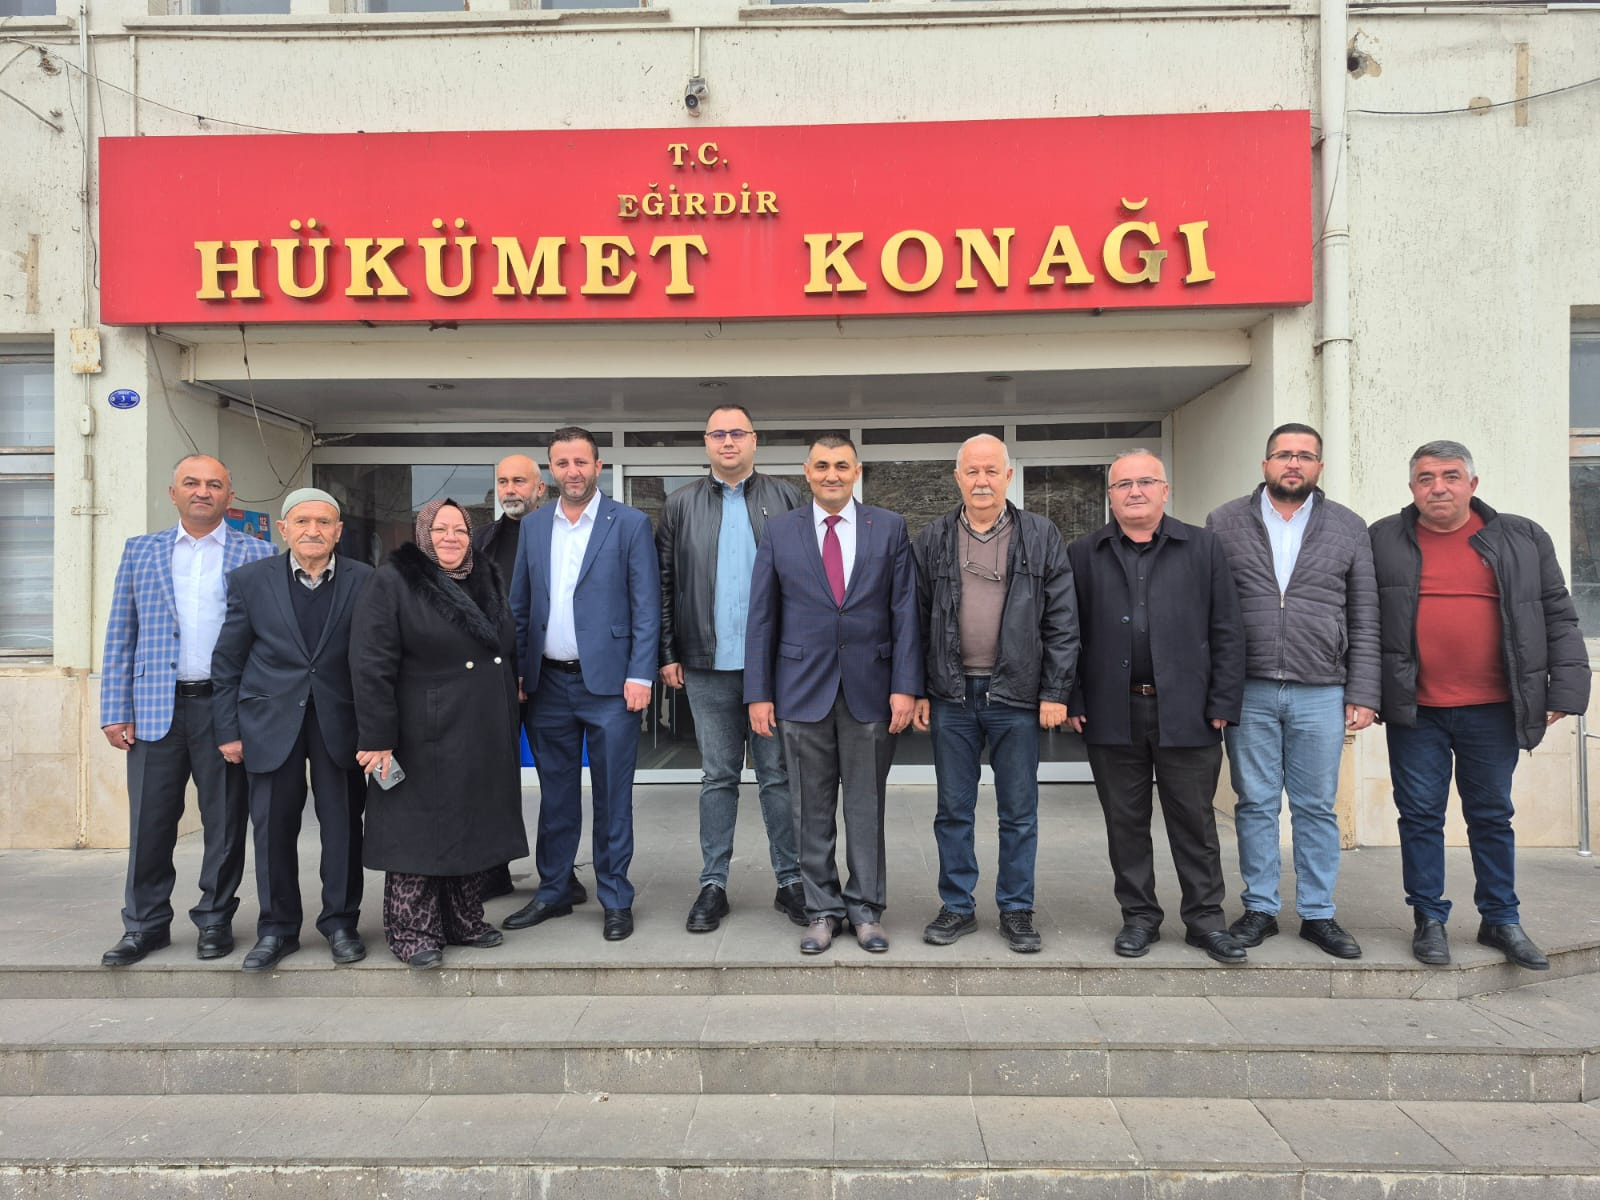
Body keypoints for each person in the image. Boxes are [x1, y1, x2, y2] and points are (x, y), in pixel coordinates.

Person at [1369, 440, 1589, 970]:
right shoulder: (1383, 538)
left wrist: (1565, 689)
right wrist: (1363, 692)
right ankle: (1429, 918)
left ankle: (1501, 919)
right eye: (1426, 478)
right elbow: (1360, 617)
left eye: (1450, 476)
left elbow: (1557, 613)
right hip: (1415, 709)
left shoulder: (1522, 537)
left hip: (1493, 707)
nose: (1438, 487)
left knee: (1491, 815)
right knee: (1419, 816)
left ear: (1472, 483)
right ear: (1412, 488)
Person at [1067, 450, 1248, 964]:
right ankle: (1139, 918)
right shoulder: (1084, 553)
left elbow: (1227, 628)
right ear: (1110, 496)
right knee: (1125, 824)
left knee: (1195, 822)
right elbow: (1067, 632)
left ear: (1165, 490)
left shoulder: (1203, 547)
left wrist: (1223, 700)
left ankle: (1205, 920)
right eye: (1123, 484)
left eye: (1146, 482)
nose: (1135, 492)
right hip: (1111, 711)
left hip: (1189, 709)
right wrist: (1074, 697)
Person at [1206, 424, 1379, 960]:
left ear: (1319, 467)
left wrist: (1364, 689)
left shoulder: (1349, 527)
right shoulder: (1224, 522)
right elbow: (1208, 611)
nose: (1293, 463)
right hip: (1248, 687)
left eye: (1305, 455)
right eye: (1283, 454)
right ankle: (1259, 908)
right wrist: (1215, 689)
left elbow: (1365, 614)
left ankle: (1318, 913)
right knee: (1255, 803)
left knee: (1316, 807)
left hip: (1321, 688)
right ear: (1265, 464)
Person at [745, 433, 922, 955]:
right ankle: (821, 910)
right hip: (800, 692)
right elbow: (762, 618)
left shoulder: (888, 527)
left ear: (856, 471)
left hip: (871, 690)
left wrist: (906, 687)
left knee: (866, 809)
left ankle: (866, 910)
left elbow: (905, 612)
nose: (832, 475)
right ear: (807, 472)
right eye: (822, 466)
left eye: (842, 465)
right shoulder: (780, 531)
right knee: (809, 810)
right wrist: (758, 693)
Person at [99, 454, 274, 967]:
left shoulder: (258, 553)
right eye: (192, 483)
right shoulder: (141, 551)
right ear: (173, 493)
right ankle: (145, 924)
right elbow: (121, 632)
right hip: (155, 708)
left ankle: (215, 919)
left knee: (225, 823)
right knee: (150, 823)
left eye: (214, 484)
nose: (203, 491)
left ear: (230, 496)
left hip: (225, 710)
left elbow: (268, 640)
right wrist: (115, 708)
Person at [912, 434, 1077, 954]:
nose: (981, 480)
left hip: (1018, 696)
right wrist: (917, 689)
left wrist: (1055, 690)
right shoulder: (933, 537)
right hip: (951, 696)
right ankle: (957, 906)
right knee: (953, 811)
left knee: (1019, 812)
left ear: (1008, 476)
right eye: (972, 471)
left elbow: (1062, 619)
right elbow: (914, 618)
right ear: (957, 478)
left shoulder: (1041, 534)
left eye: (991, 471)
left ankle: (1016, 909)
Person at [348, 498, 528, 968]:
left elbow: (503, 643)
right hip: (420, 729)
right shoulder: (393, 580)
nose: (451, 538)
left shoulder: (486, 576)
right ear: (422, 534)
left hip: (478, 724)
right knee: (418, 831)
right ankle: (412, 930)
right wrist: (377, 737)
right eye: (440, 529)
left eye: (461, 530)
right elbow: (371, 663)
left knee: (469, 824)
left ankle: (462, 920)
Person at [506, 427, 659, 942]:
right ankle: (553, 890)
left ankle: (615, 896)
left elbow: (646, 605)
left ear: (598, 466)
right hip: (547, 683)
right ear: (550, 470)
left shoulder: (630, 523)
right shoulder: (534, 526)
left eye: (580, 462)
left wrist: (640, 673)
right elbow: (520, 604)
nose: (572, 471)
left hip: (612, 687)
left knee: (613, 797)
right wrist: (519, 670)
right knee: (555, 795)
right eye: (562, 463)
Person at [657, 404, 806, 932]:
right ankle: (713, 885)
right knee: (717, 777)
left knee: (777, 778)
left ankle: (791, 882)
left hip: (774, 669)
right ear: (706, 442)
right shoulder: (680, 504)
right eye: (717, 434)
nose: (728, 441)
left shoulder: (787, 498)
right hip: (706, 664)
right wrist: (668, 652)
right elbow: (665, 583)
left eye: (737, 433)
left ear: (754, 440)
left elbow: (805, 582)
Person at [210, 488, 372, 972]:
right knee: (272, 830)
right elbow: (228, 660)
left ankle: (341, 923)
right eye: (302, 522)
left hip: (341, 722)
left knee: (343, 828)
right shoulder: (249, 581)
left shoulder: (367, 580)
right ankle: (277, 929)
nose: (313, 531)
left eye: (324, 522)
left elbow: (376, 657)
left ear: (338, 531)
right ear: (284, 529)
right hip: (268, 722)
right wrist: (228, 730)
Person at [471, 453, 586, 909]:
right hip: (491, 678)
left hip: (545, 676)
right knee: (491, 776)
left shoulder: (558, 532)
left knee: (556, 782)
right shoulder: (480, 541)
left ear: (541, 488)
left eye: (520, 481)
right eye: (503, 481)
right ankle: (492, 868)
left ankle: (558, 873)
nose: (510, 489)